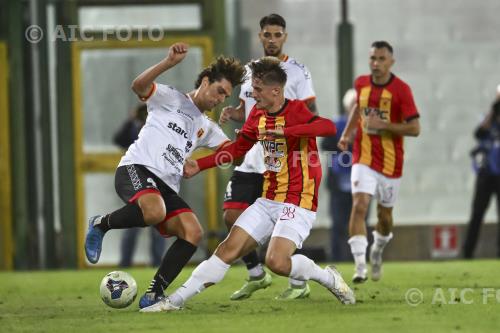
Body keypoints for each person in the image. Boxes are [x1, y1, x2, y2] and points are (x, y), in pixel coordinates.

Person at [139, 57, 355, 313]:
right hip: (268, 199)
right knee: (227, 249)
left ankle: (327, 278)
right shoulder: (257, 116)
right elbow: (237, 149)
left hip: (298, 199)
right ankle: (173, 302)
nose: (253, 93)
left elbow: (327, 127)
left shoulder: (296, 110)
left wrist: (285, 133)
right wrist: (202, 164)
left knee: (276, 261)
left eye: (258, 89)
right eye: (252, 88)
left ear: (276, 91)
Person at [84, 42, 246, 309]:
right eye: (219, 91)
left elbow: (233, 154)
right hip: (136, 168)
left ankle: (153, 294)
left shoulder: (207, 127)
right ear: (205, 81)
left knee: (193, 233)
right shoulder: (170, 97)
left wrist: (242, 136)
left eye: (225, 96)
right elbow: (138, 86)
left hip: (166, 186)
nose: (220, 99)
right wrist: (168, 63)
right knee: (155, 211)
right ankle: (101, 224)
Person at [219, 13, 318, 300]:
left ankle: (298, 282)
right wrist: (233, 114)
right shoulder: (250, 70)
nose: (272, 40)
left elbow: (311, 115)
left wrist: (289, 133)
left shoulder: (298, 72)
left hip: (282, 161)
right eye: (267, 35)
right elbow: (247, 109)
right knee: (231, 215)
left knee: (282, 224)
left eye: (277, 35)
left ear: (284, 37)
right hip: (251, 157)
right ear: (260, 37)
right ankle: (256, 274)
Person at [338, 41, 420, 283]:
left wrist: (384, 125)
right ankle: (360, 265)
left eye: (381, 59)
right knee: (360, 205)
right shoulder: (361, 83)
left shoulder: (402, 90)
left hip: (391, 164)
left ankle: (378, 250)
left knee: (385, 218)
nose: (376, 63)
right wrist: (346, 134)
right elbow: (357, 108)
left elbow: (415, 128)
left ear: (391, 62)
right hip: (362, 157)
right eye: (372, 58)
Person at [112, 104, 167, 268]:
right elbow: (118, 139)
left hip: (158, 181)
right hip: (137, 181)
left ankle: (157, 264)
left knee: (158, 227)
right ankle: (125, 263)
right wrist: (130, 120)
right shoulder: (134, 130)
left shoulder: (159, 131)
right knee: (133, 227)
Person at [463, 89, 500, 258]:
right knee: (477, 213)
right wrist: (493, 111)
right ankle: (467, 253)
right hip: (486, 174)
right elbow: (478, 133)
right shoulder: (489, 120)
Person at [321, 89, 357, 261]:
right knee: (338, 223)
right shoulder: (336, 124)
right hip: (339, 181)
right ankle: (336, 258)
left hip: (359, 182)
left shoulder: (367, 127)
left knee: (358, 224)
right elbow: (325, 145)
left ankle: (357, 258)